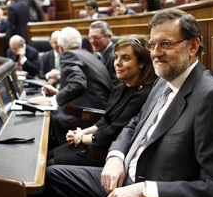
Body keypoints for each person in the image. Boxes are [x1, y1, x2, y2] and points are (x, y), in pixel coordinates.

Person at [32, 9, 213, 197]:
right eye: (152, 44)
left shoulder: (211, 97)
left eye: (166, 44)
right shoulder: (163, 81)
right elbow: (134, 124)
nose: (156, 53)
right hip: (124, 176)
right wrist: (116, 156)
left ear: (193, 46)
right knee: (52, 176)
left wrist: (145, 191)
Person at [46, 35, 157, 167]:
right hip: (95, 141)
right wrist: (83, 132)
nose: (118, 63)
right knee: (47, 154)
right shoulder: (119, 89)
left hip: (106, 152)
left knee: (48, 166)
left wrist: (81, 138)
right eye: (116, 57)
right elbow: (105, 120)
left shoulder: (143, 94)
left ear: (141, 63)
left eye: (125, 58)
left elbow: (114, 132)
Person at [28, 27, 113, 147]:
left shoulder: (68, 55)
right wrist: (58, 93)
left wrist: (52, 100)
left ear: (60, 47)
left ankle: (47, 156)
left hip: (91, 116)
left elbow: (78, 83)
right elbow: (84, 86)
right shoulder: (89, 54)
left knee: (46, 118)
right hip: (100, 112)